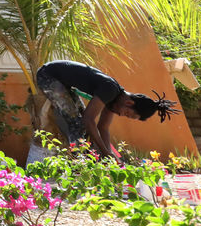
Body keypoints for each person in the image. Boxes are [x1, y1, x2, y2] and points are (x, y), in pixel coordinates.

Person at [35, 59, 179, 160]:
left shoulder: (116, 101)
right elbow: (88, 119)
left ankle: (83, 159)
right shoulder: (110, 90)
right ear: (129, 103)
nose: (122, 115)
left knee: (82, 122)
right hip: (48, 75)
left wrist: (110, 154)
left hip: (63, 83)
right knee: (78, 123)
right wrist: (104, 152)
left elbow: (103, 127)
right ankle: (79, 164)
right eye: (128, 114)